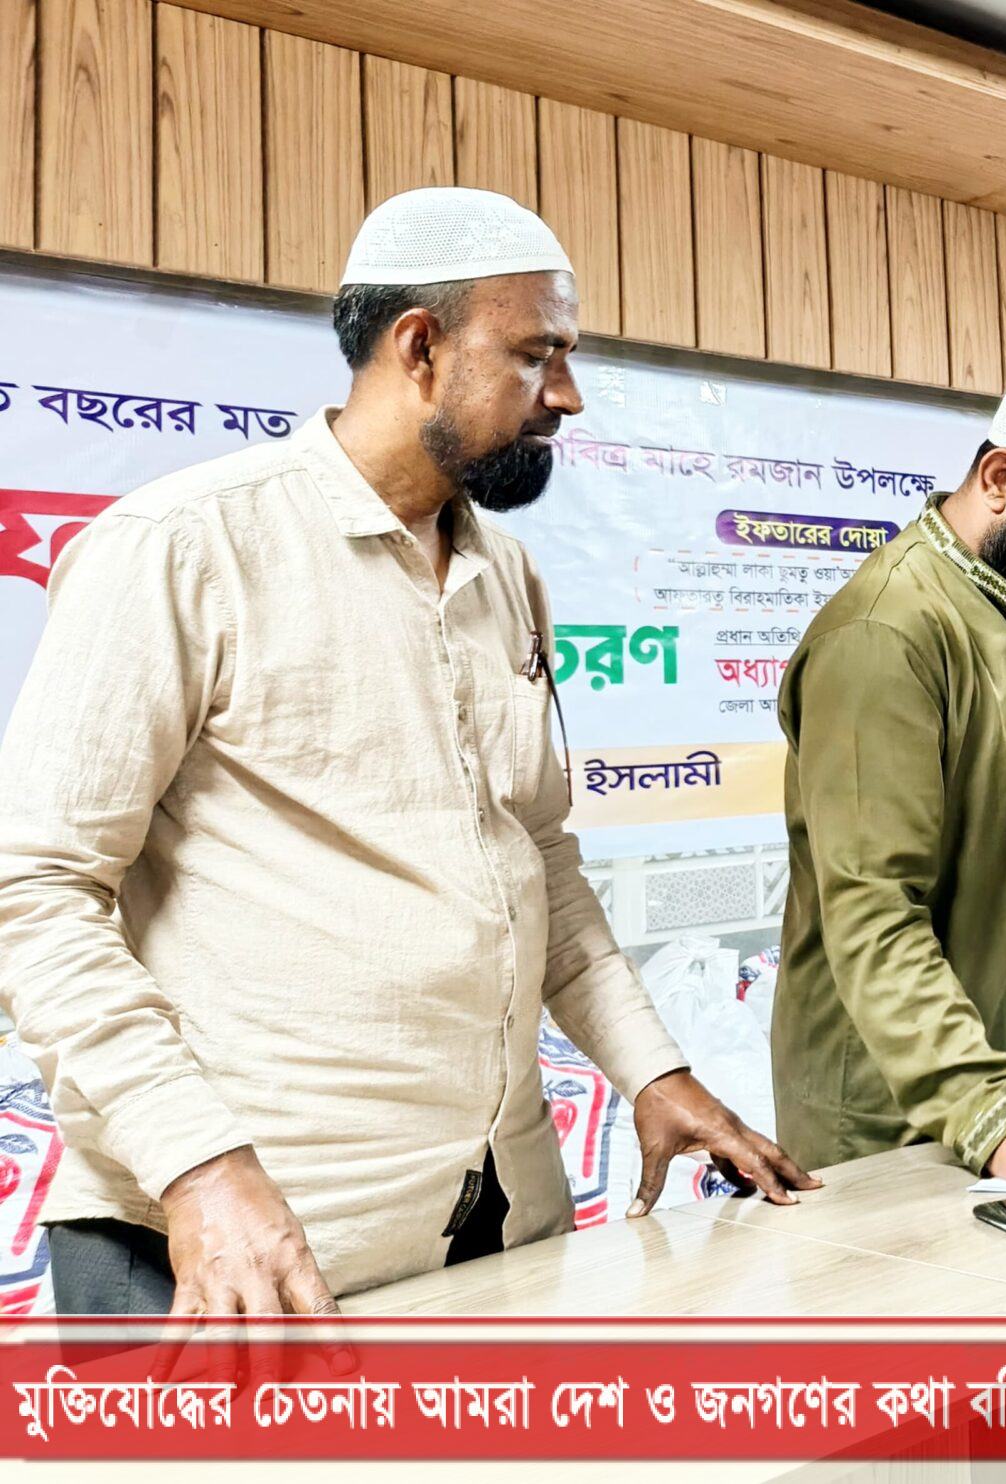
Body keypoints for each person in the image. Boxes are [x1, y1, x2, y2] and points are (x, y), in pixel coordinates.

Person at [0, 188, 809, 1319]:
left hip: (495, 1215)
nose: (567, 395)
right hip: (234, 1247)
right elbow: (35, 890)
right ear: (419, 347)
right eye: (536, 355)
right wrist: (198, 1165)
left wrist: (654, 1071)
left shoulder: (506, 574)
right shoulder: (180, 547)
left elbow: (536, 855)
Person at [773, 359, 1006, 1200]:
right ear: (1000, 477)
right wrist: (992, 1109)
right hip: (908, 1126)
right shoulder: (886, 633)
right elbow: (872, 910)